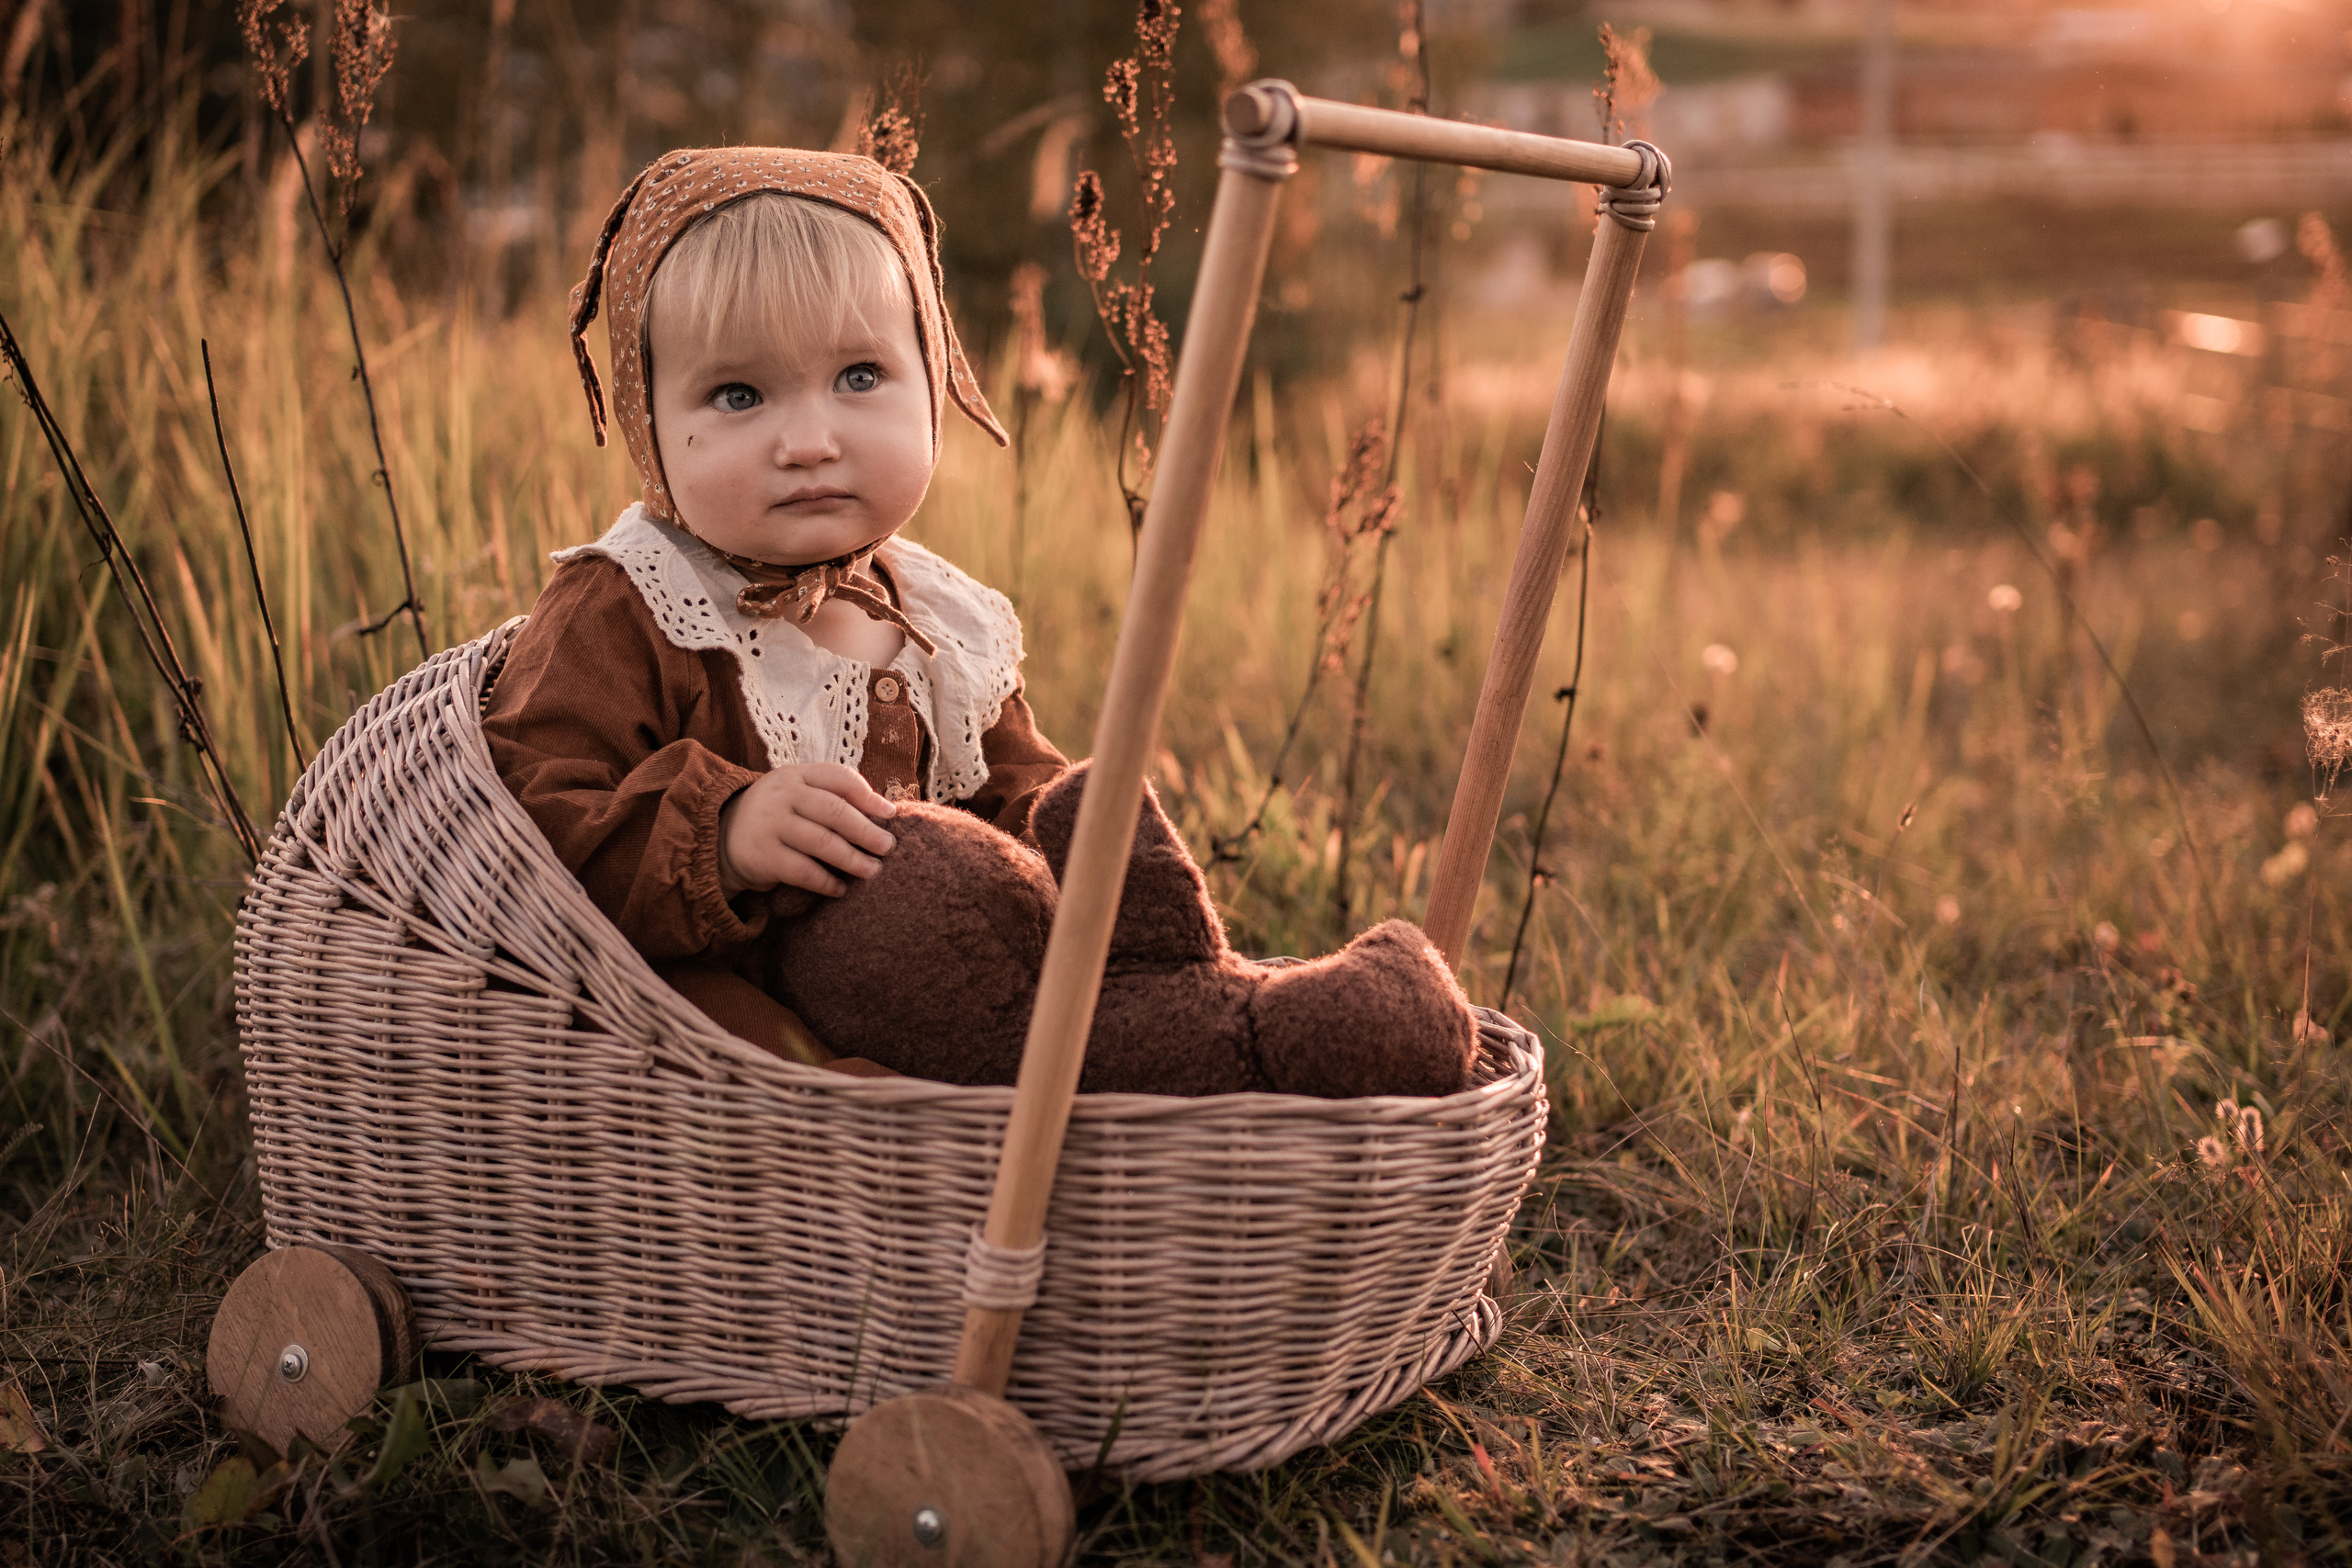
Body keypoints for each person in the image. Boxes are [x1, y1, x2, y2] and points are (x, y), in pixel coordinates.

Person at [482, 147, 1066, 1072]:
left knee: (1095, 1020)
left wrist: (1078, 843)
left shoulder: (941, 618)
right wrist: (722, 838)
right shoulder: (631, 605)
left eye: (861, 376)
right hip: (709, 1014)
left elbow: (1012, 797)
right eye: (738, 395)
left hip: (933, 997)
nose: (808, 442)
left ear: (934, 377)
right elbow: (526, 827)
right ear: (646, 416)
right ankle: (859, 1148)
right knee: (731, 1038)